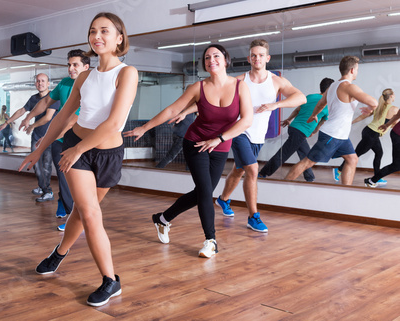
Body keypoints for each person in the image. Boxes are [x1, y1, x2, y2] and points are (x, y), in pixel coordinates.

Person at [19, 12, 137, 307]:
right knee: (90, 213)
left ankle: (59, 253)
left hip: (106, 153)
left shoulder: (127, 73)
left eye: (105, 31)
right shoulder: (84, 76)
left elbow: (113, 123)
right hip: (76, 148)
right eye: (93, 31)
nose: (97, 36)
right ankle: (111, 281)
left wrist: (80, 149)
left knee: (83, 212)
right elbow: (60, 118)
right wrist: (39, 149)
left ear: (119, 38)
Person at [124, 44, 253, 258]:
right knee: (205, 191)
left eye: (216, 56)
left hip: (220, 146)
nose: (211, 60)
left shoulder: (240, 87)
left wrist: (219, 139)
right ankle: (211, 241)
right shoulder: (198, 87)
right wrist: (145, 127)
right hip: (195, 143)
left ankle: (162, 219)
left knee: (203, 192)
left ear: (226, 60)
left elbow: (247, 120)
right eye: (207, 58)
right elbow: (172, 109)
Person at [214, 39, 306, 232]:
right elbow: (212, 94)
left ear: (267, 58)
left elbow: (301, 97)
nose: (257, 58)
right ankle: (253, 217)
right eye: (253, 55)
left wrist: (276, 105)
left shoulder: (276, 81)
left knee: (240, 170)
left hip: (258, 136)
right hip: (239, 131)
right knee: (253, 170)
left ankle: (223, 200)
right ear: (249, 58)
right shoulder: (239, 80)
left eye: (261, 55)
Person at [20, 49, 90, 221]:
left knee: (77, 179)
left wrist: (49, 135)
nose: (71, 68)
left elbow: (74, 119)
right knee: (63, 177)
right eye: (69, 65)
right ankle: (66, 209)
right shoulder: (65, 83)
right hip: (60, 139)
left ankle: (74, 216)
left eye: (75, 65)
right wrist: (28, 117)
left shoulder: (90, 86)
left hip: (81, 140)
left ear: (86, 67)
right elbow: (45, 102)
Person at [285, 56, 378, 185]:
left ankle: (346, 191)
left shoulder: (333, 86)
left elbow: (321, 104)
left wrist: (314, 115)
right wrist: (371, 109)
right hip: (333, 135)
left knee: (352, 159)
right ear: (352, 70)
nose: (357, 71)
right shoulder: (350, 87)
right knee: (308, 162)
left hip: (341, 136)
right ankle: (284, 184)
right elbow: (374, 102)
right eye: (357, 69)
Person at [0, 73, 60, 202]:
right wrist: (6, 123)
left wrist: (31, 125)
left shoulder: (54, 98)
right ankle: (42, 186)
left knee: (46, 164)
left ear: (48, 84)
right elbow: (21, 111)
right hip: (37, 135)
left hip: (48, 136)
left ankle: (47, 191)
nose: (40, 83)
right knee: (36, 163)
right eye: (38, 81)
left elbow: (48, 117)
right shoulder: (34, 98)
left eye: (43, 81)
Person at [258, 78, 334, 182]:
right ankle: (263, 173)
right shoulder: (326, 104)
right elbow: (322, 121)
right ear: (329, 89)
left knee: (306, 154)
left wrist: (289, 119)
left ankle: (310, 177)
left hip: (294, 128)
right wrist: (314, 131)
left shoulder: (310, 97)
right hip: (300, 132)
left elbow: (298, 109)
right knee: (284, 153)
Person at [334, 88, 398, 185]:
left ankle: (377, 176)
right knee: (357, 154)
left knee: (379, 153)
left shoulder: (379, 105)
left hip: (369, 132)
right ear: (392, 96)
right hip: (372, 134)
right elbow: (394, 123)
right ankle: (338, 170)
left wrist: (351, 122)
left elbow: (364, 116)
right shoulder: (394, 109)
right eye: (394, 94)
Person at [364, 99, 400, 187]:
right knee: (397, 165)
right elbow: (398, 115)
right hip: (398, 135)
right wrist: (387, 125)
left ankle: (372, 180)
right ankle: (372, 180)